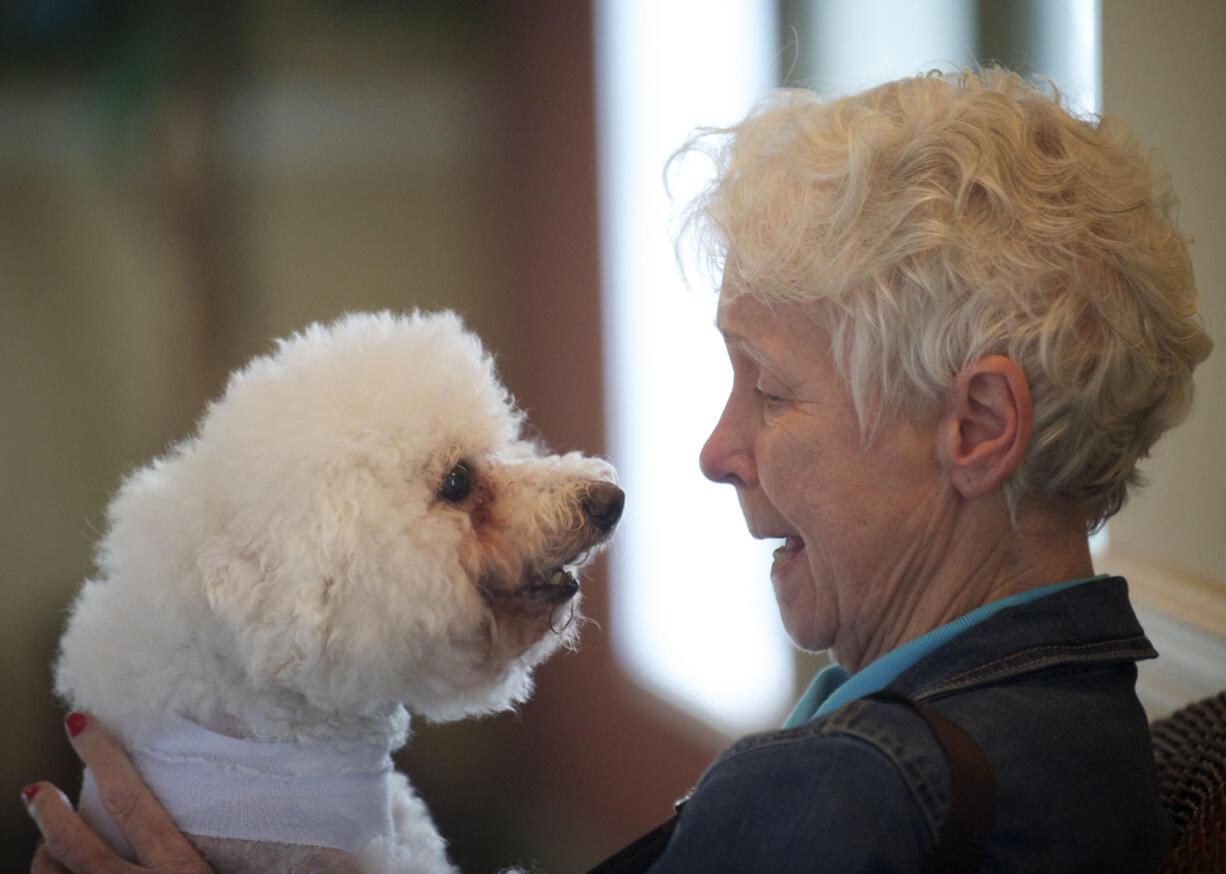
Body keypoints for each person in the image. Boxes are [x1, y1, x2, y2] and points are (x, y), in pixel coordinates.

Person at [24, 66, 1212, 873]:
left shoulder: (850, 799)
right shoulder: (1079, 709)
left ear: (976, 425)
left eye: (770, 388)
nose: (713, 448)